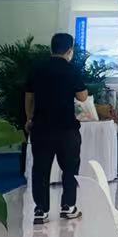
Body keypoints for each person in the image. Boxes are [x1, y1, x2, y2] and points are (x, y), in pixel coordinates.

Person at [24, 32, 87, 226]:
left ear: (52, 47)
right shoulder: (71, 69)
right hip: (67, 129)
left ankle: (41, 210)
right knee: (70, 168)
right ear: (70, 50)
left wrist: (29, 118)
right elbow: (82, 97)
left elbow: (29, 96)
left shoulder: (38, 68)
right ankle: (68, 206)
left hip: (41, 127)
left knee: (40, 169)